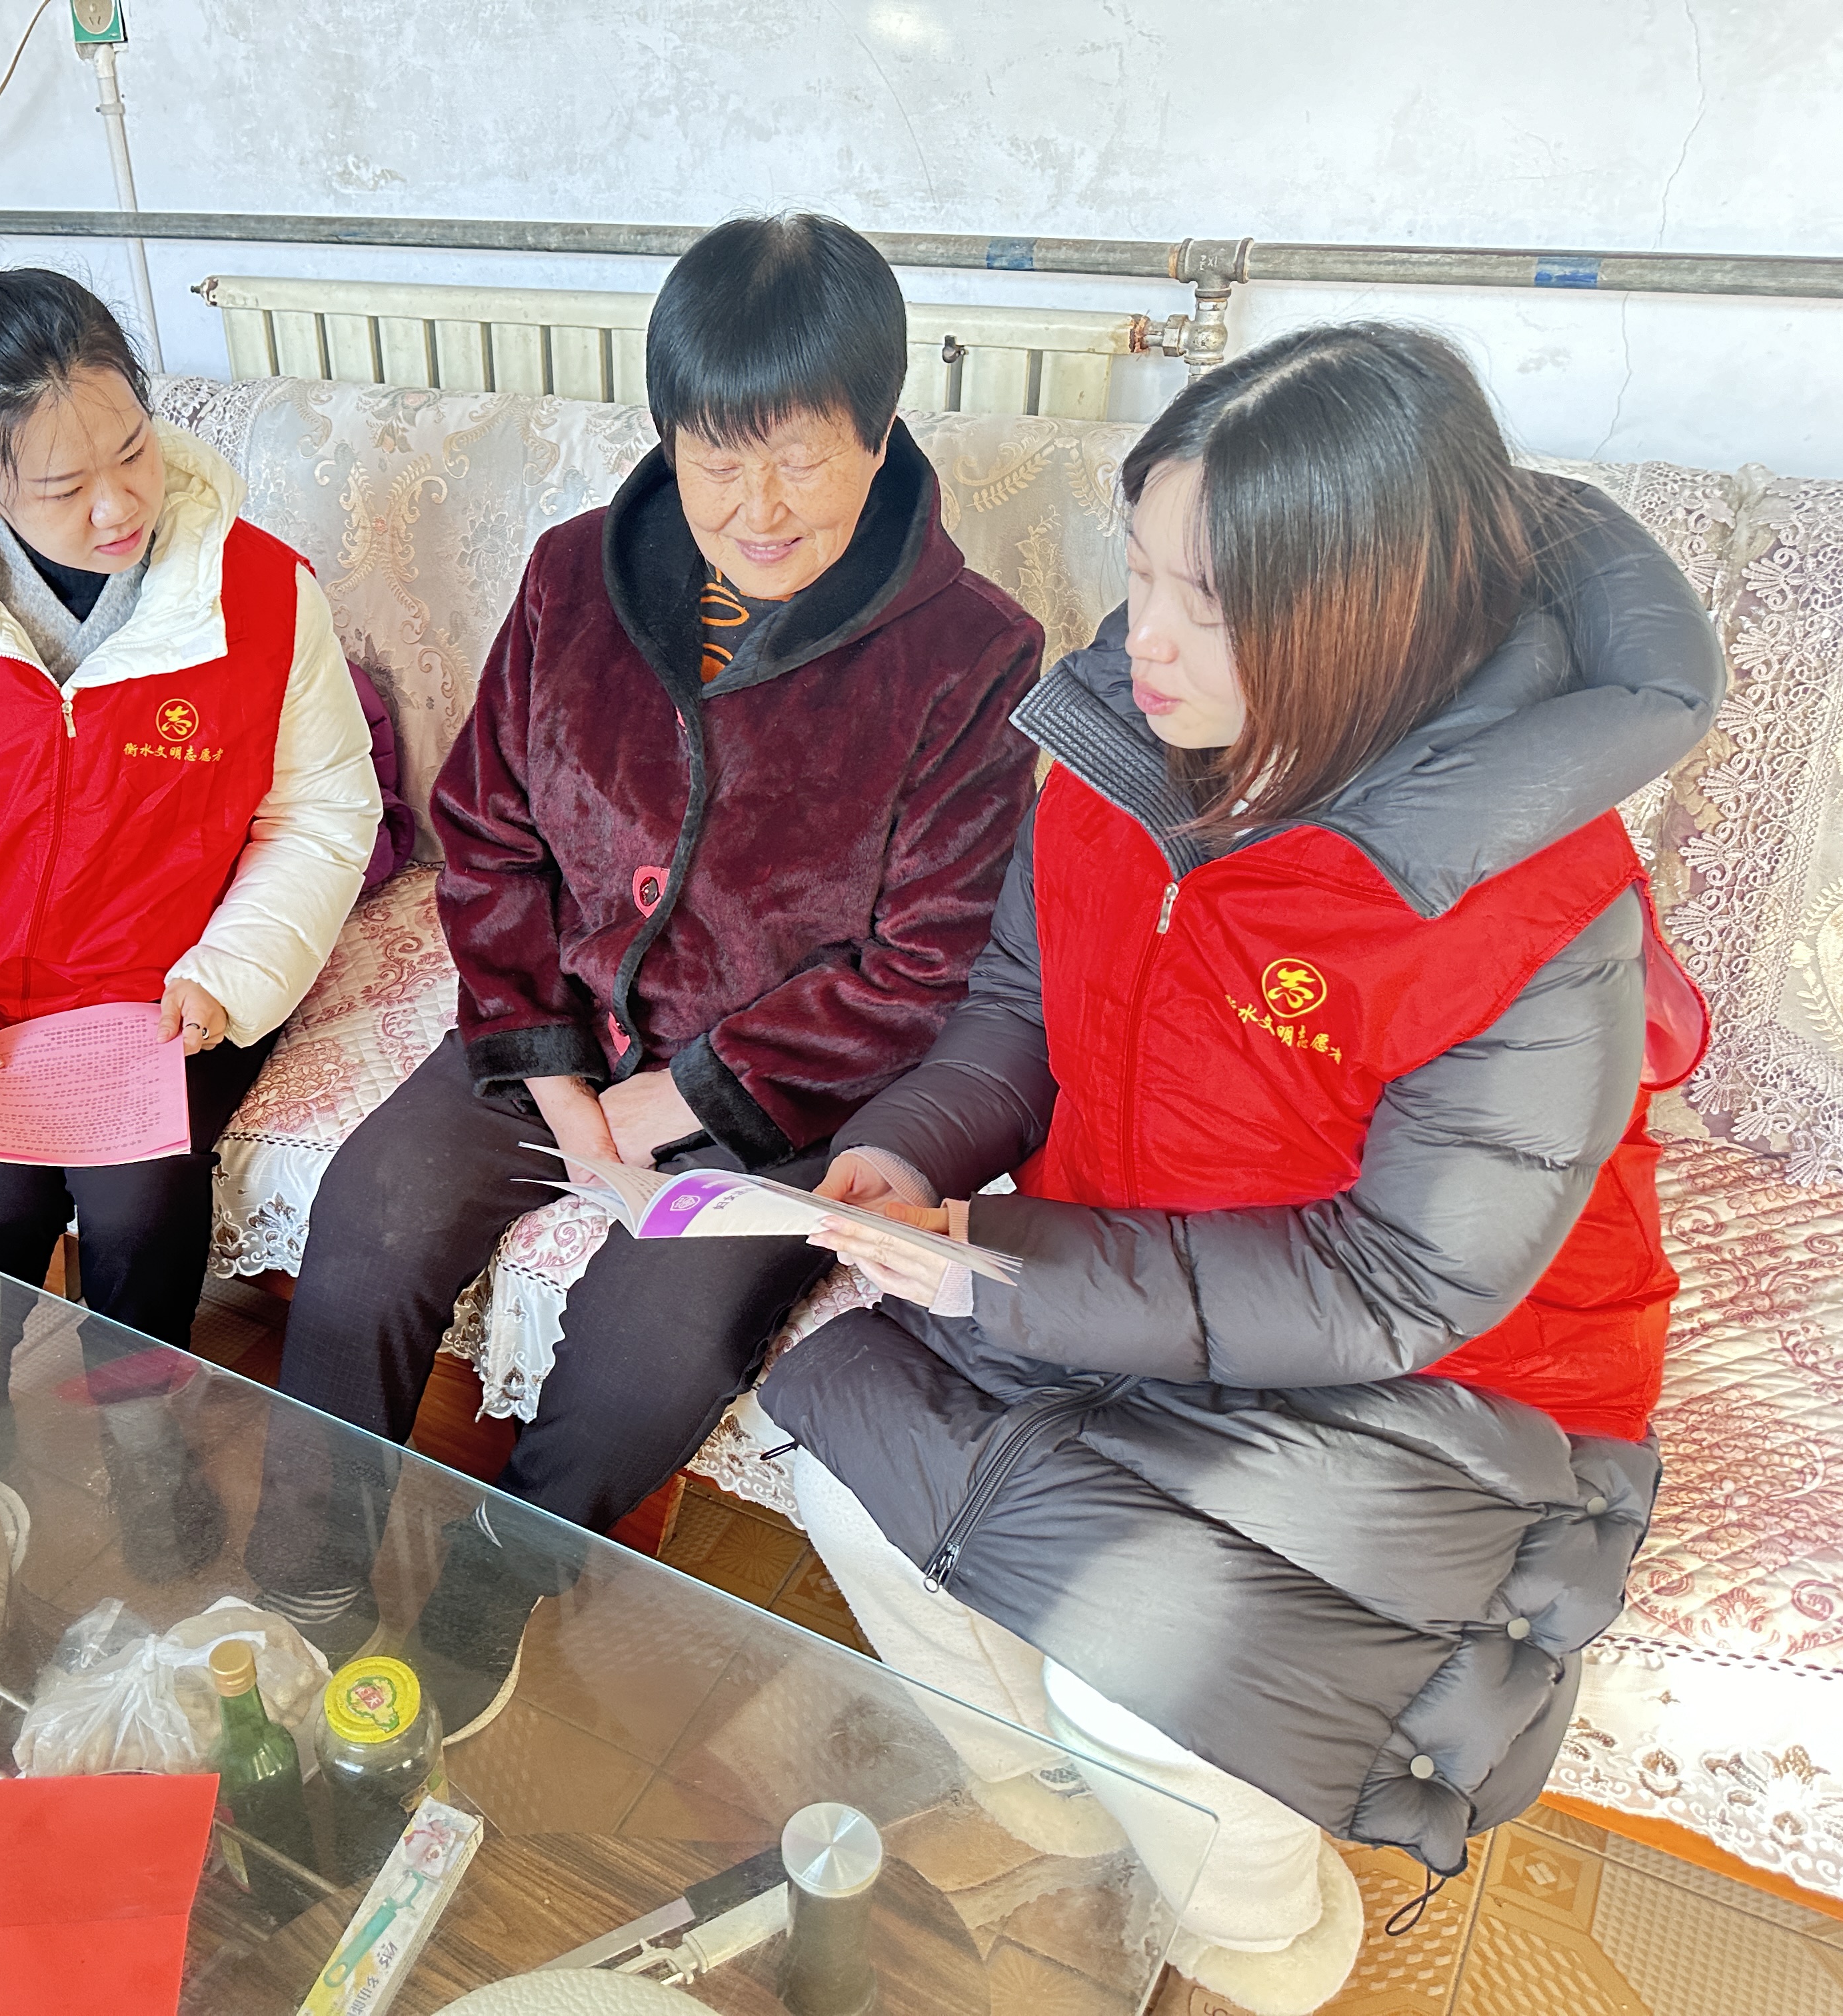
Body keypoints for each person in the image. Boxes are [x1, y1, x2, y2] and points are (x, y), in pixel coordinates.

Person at [761, 323, 1722, 2016]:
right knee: (843, 1475)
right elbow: (1017, 1008)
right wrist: (908, 1150)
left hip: (1450, 1376)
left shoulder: (1524, 891)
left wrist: (1015, 1270)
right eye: (1138, 571)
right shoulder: (1118, 755)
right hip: (1117, 1268)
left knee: (1134, 1679)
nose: (1142, 637)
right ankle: (1059, 1821)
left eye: (1207, 603)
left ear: (1363, 618)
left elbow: (1401, 1280)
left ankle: (1266, 1944)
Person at [248, 213, 1046, 1735]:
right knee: (371, 1218)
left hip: (782, 1096)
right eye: (717, 458)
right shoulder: (575, 577)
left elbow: (925, 966)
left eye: (800, 457)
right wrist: (556, 1076)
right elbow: (488, 837)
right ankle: (306, 1584)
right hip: (549, 1030)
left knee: (646, 1351)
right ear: (670, 437)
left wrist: (674, 1107)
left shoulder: (972, 659)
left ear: (881, 433)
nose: (758, 507)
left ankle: (495, 1583)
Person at [0, 213, 381, 1569]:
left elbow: (320, 812)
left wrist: (227, 980)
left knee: (137, 1210)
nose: (119, 505)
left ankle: (144, 1445)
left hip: (173, 992)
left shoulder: (260, 593)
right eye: (66, 487)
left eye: (133, 450)